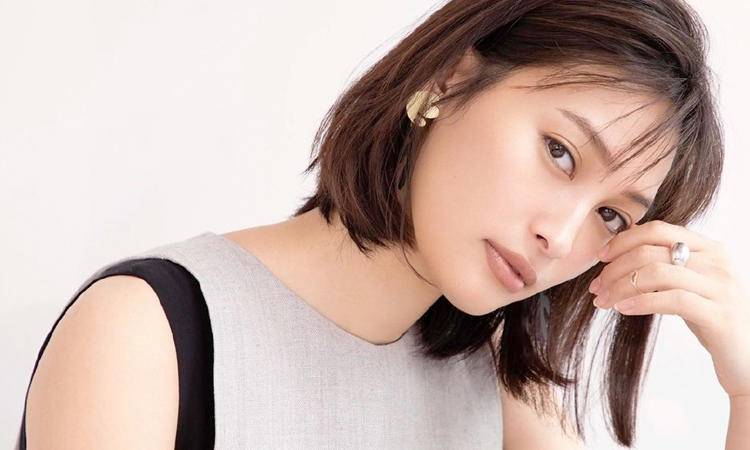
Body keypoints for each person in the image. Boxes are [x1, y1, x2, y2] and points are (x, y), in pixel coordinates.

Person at [17, 0, 750, 449]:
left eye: (611, 216)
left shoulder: (500, 391)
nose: (559, 238)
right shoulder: (151, 332)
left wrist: (745, 389)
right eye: (559, 152)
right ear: (449, 79)